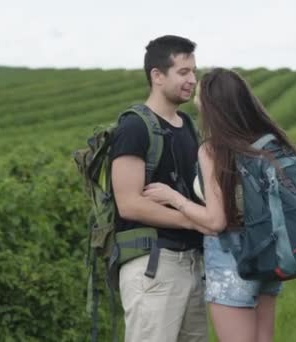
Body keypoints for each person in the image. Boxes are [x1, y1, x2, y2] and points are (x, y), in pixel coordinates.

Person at [143, 68, 296, 342]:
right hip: (269, 253)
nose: (195, 97)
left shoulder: (213, 149)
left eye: (199, 94)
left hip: (232, 258)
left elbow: (216, 220)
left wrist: (174, 199)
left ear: (211, 104)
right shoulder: (267, 141)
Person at [110, 35, 212, 342]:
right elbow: (129, 204)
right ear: (157, 75)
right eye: (183, 72)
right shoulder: (134, 127)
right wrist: (194, 219)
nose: (192, 80)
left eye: (194, 71)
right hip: (153, 267)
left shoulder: (188, 126)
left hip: (191, 265)